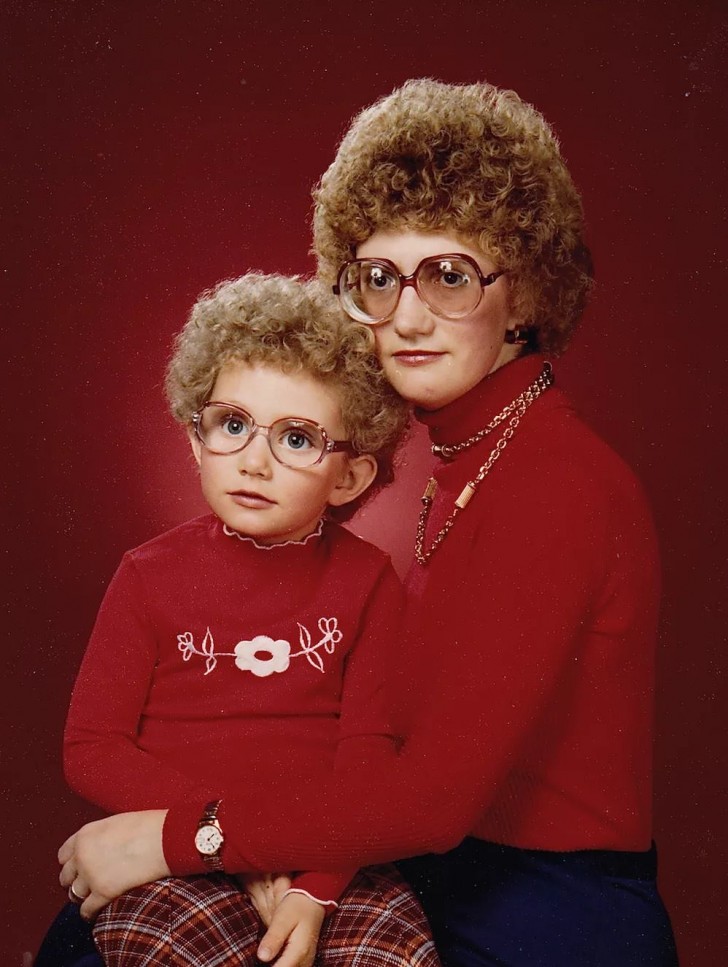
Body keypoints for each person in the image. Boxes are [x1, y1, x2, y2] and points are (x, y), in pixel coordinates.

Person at [57, 79, 679, 966]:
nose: (408, 317)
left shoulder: (560, 482)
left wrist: (177, 837)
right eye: (380, 277)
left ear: (528, 292)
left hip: (545, 913)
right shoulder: (466, 456)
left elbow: (427, 799)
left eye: (451, 276)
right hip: (435, 871)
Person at [39, 272, 441, 967]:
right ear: (195, 438)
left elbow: (368, 759)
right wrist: (218, 830)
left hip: (329, 860)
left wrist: (313, 886)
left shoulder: (369, 581)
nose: (254, 460)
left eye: (295, 438)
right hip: (174, 850)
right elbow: (92, 746)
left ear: (348, 477)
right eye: (232, 424)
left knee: (398, 953)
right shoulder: (147, 574)